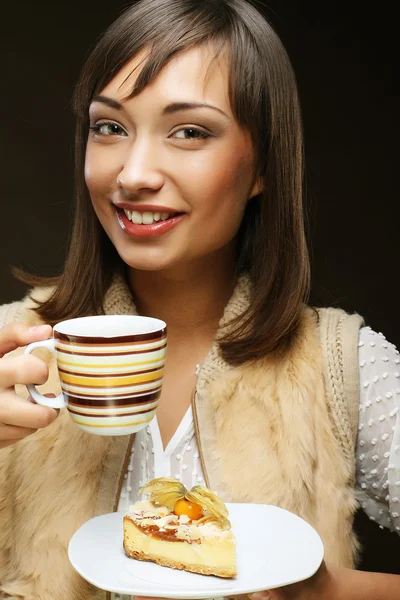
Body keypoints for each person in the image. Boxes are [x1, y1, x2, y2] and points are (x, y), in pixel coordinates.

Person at [0, 0, 399, 598]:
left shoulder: (344, 366)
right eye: (109, 127)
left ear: (262, 163)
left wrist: (330, 592)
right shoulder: (12, 357)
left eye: (189, 131)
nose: (133, 173)